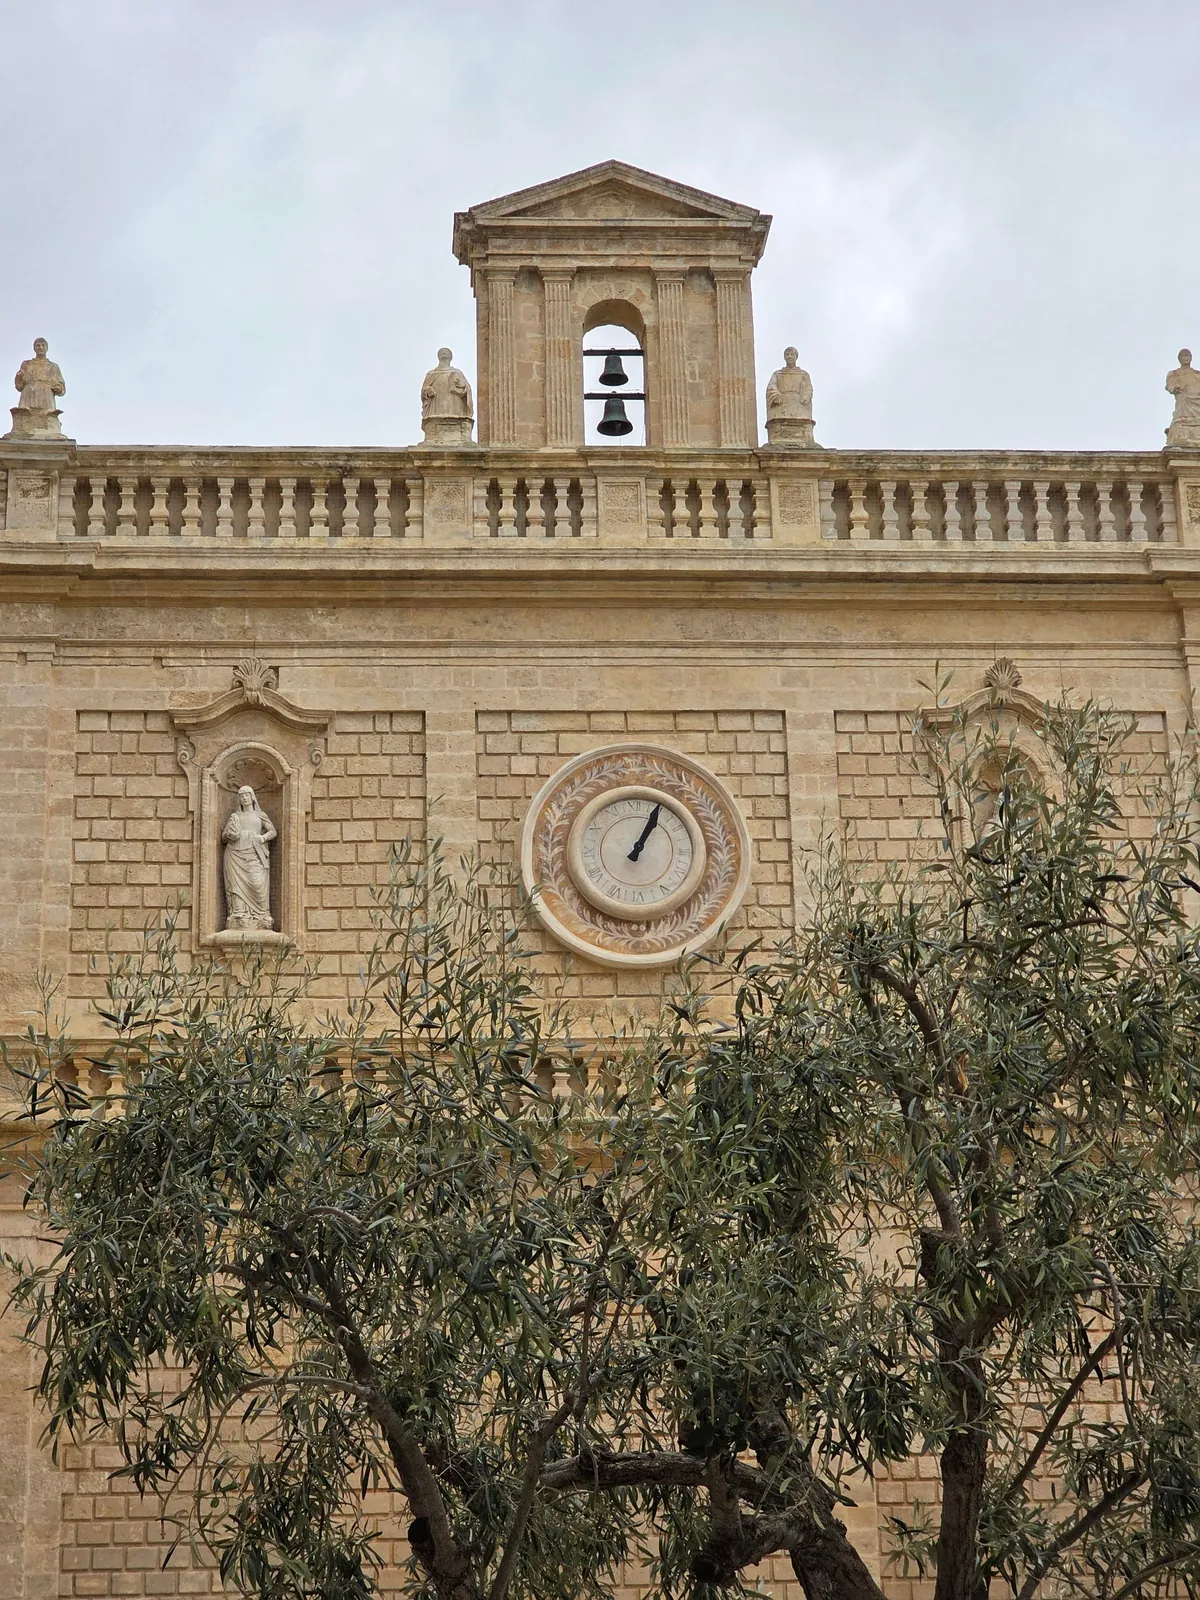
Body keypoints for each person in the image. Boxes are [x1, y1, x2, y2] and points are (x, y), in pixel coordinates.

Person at [222, 786, 277, 930]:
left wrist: (263, 837)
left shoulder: (260, 815)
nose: (244, 798)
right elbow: (223, 837)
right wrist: (230, 835)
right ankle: (239, 913)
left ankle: (261, 914)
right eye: (241, 796)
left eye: (246, 795)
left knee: (257, 883)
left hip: (254, 852)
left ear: (252, 797)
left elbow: (272, 831)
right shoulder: (235, 817)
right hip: (235, 853)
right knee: (236, 885)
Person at [14, 338, 65, 413]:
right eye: (38, 345)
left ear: (46, 348)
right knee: (26, 417)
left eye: (43, 345)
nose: (40, 347)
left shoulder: (53, 367)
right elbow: (19, 386)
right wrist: (19, 377)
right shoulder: (27, 364)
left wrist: (58, 388)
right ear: (34, 348)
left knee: (47, 418)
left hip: (46, 397)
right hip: (29, 396)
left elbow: (61, 386)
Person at [1166, 349, 1200, 447]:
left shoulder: (1197, 374)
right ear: (1179, 359)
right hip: (1183, 398)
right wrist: (1174, 388)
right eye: (1183, 356)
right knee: (1181, 416)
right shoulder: (1174, 373)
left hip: (1196, 399)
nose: (1186, 358)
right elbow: (1169, 385)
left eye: (1188, 356)